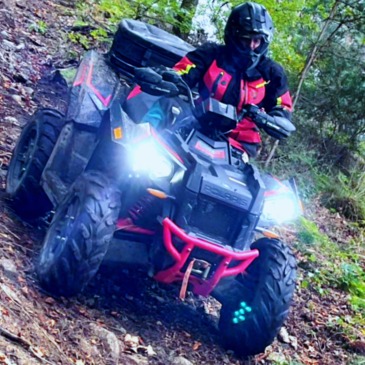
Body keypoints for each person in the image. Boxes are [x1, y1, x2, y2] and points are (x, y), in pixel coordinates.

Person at [125, 2, 293, 158]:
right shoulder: (211, 53)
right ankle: (125, 151)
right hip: (195, 123)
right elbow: (182, 71)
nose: (252, 46)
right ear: (233, 35)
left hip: (238, 143)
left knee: (247, 185)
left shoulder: (272, 73)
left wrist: (270, 119)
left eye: (257, 41)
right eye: (245, 39)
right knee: (166, 104)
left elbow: (282, 108)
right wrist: (169, 80)